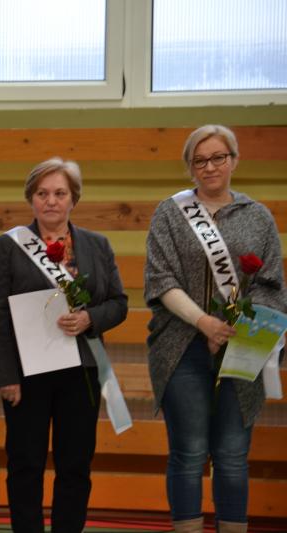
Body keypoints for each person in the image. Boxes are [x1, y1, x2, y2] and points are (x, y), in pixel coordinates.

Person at [144, 125, 287, 533]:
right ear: (190, 167)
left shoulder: (258, 216)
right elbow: (161, 280)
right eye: (200, 160)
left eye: (218, 157)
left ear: (234, 161)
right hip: (181, 345)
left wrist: (240, 326)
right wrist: (204, 322)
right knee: (189, 453)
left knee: (232, 454)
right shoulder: (170, 212)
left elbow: (272, 285)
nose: (210, 167)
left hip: (243, 346)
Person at [0, 157, 128, 532]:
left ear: (73, 198)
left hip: (82, 372)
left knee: (75, 465)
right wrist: (5, 376)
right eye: (42, 193)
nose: (51, 201)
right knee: (25, 464)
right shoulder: (9, 245)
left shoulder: (97, 245)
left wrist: (90, 318)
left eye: (60, 193)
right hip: (26, 376)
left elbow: (119, 303)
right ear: (30, 198)